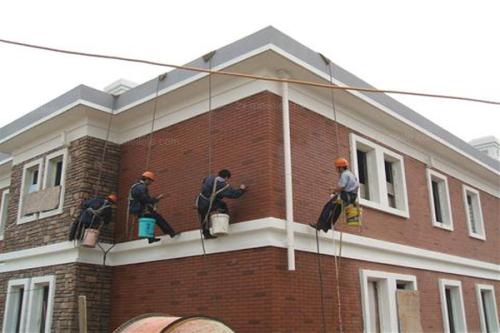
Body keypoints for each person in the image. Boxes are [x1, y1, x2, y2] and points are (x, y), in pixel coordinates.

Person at [128, 171, 180, 244]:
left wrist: (153, 202)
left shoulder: (136, 186)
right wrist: (157, 199)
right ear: (147, 179)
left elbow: (144, 199)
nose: (150, 183)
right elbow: (145, 199)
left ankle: (151, 238)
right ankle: (171, 233)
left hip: (138, 208)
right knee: (158, 218)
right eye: (150, 181)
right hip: (141, 209)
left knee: (150, 220)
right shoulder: (140, 187)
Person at [310, 158, 359, 232]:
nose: (336, 169)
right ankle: (327, 227)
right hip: (351, 197)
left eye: (337, 168)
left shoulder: (344, 174)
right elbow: (356, 186)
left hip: (345, 196)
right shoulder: (351, 174)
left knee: (328, 207)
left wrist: (333, 190)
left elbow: (341, 187)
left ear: (341, 167)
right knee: (337, 210)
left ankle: (320, 224)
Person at [195, 169, 247, 239]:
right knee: (222, 205)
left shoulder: (209, 178)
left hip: (200, 202)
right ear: (226, 177)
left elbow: (204, 181)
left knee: (204, 217)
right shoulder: (222, 185)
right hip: (208, 203)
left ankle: (206, 233)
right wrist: (242, 189)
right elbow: (234, 195)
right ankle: (223, 223)